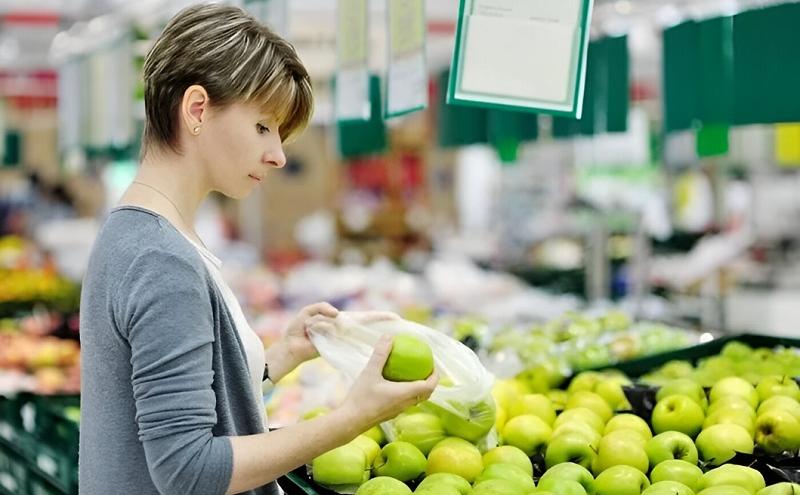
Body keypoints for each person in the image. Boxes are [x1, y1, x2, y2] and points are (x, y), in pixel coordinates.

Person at [78, 5, 437, 495]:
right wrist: (354, 416)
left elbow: (163, 397)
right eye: (264, 127)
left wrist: (277, 359)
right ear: (198, 109)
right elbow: (190, 471)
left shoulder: (136, 231)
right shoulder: (161, 258)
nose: (279, 155)